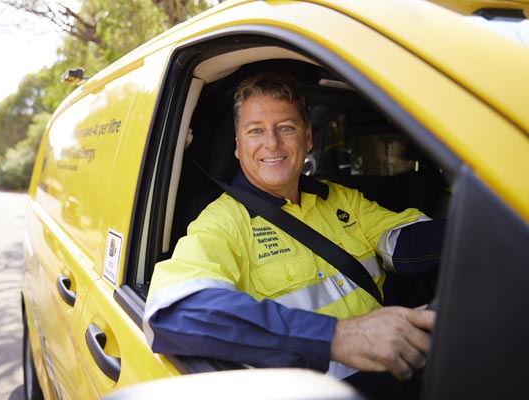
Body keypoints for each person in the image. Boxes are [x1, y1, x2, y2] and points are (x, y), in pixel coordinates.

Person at [143, 72, 444, 395]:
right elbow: (175, 311)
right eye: (255, 130)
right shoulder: (222, 222)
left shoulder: (341, 199)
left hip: (395, 375)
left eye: (286, 127)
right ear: (238, 146)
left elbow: (404, 244)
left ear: (308, 137)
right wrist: (336, 336)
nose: (272, 143)